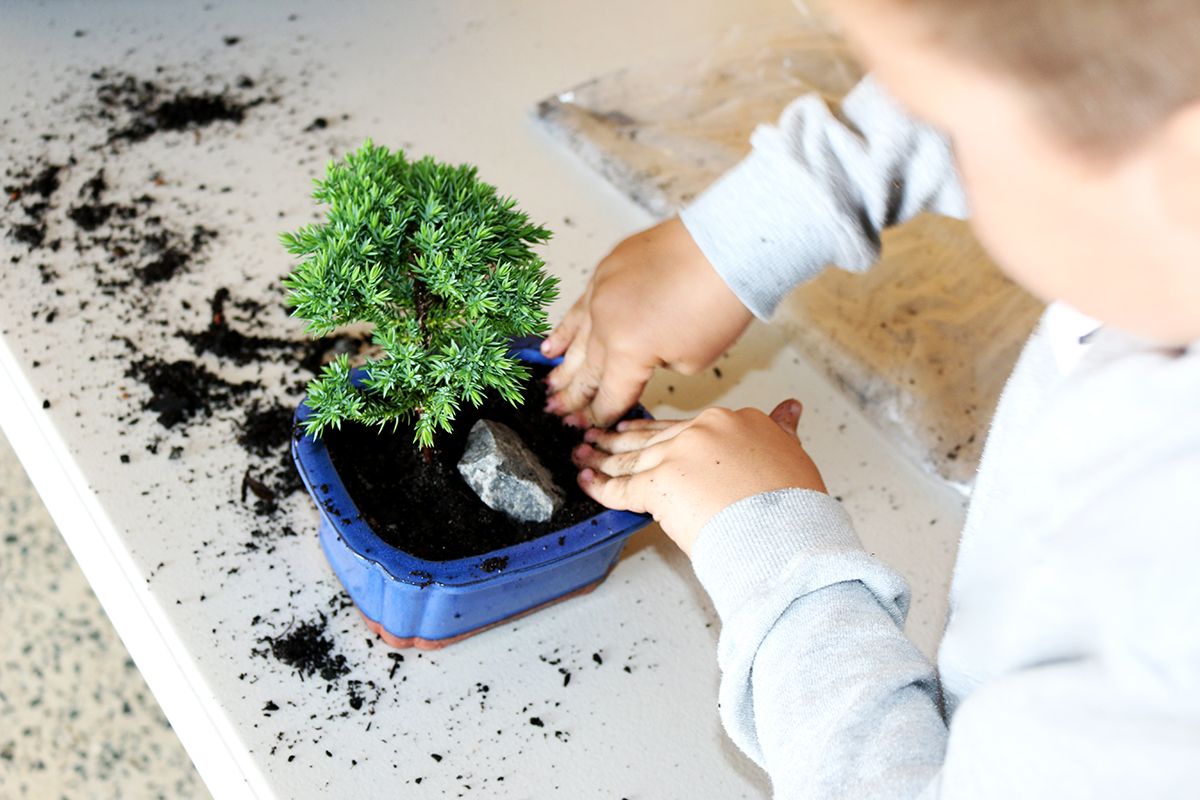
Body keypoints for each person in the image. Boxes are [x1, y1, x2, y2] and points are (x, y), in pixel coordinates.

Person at [543, 0, 1200, 796]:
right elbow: (1047, 56)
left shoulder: (1165, 623)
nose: (928, 124)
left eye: (955, 122)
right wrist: (757, 224)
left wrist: (774, 549)